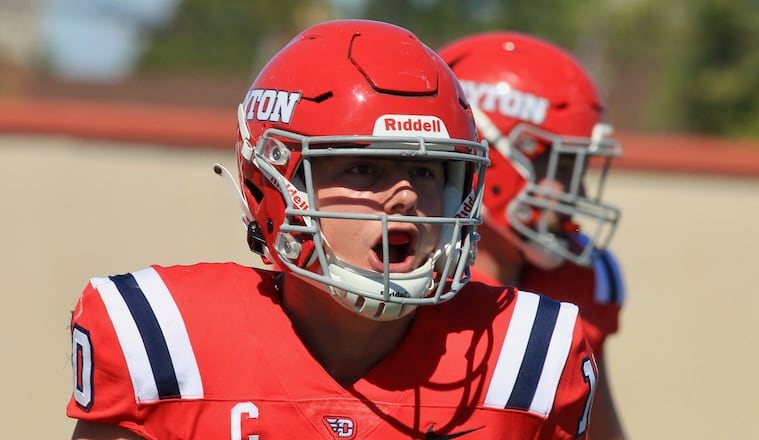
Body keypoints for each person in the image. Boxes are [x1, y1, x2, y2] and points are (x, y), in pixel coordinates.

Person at [67, 20, 598, 439]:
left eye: (426, 170)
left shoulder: (524, 354)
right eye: (364, 168)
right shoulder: (162, 339)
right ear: (273, 183)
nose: (406, 196)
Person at [439, 32, 628, 439]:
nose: (577, 194)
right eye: (561, 169)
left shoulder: (583, 281)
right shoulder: (412, 280)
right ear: (491, 158)